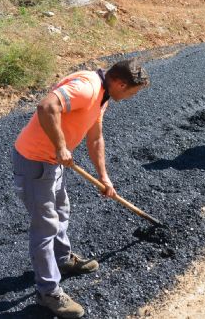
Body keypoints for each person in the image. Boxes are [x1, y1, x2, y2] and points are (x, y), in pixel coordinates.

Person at [12, 59, 150, 318]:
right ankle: (48, 292)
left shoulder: (102, 95)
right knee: (45, 228)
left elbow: (95, 137)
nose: (132, 96)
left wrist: (104, 177)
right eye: (133, 91)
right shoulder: (87, 87)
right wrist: (61, 146)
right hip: (35, 161)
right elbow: (46, 106)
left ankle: (62, 261)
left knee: (62, 211)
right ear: (121, 83)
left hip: (53, 163)